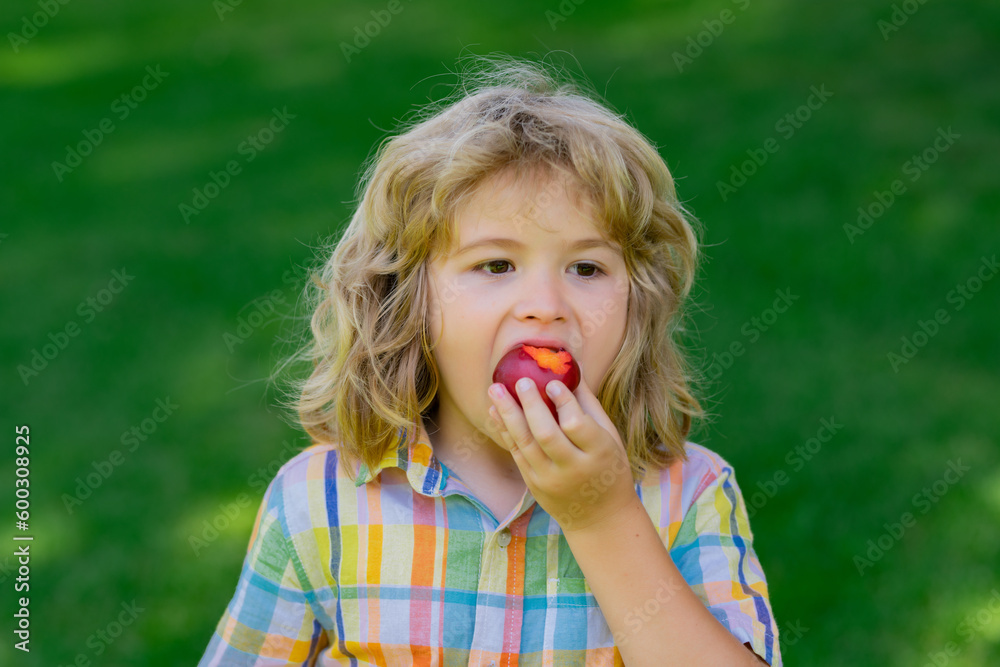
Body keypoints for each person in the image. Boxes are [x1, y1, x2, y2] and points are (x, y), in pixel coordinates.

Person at [198, 54, 781, 666]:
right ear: (406, 300)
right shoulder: (318, 503)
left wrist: (602, 517)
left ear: (638, 306)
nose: (545, 306)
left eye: (587, 268)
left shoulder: (688, 494)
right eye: (496, 265)